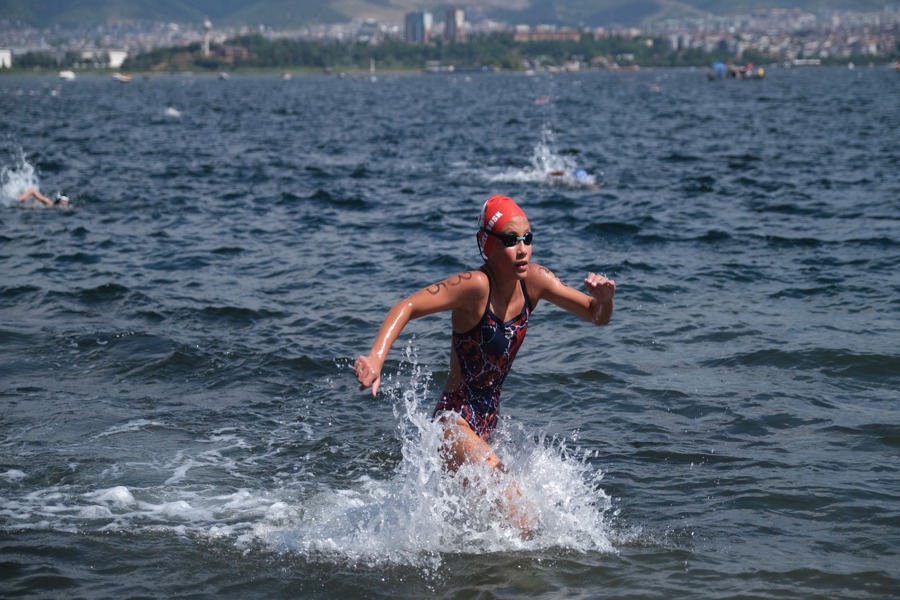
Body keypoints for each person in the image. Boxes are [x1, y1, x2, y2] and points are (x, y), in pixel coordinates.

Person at [353, 194, 616, 533]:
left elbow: (596, 315)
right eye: (509, 240)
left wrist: (606, 300)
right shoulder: (476, 287)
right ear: (486, 244)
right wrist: (376, 357)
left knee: (481, 527)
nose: (522, 248)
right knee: (518, 508)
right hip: (453, 424)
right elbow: (408, 306)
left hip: (488, 425)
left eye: (527, 238)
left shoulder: (534, 281)